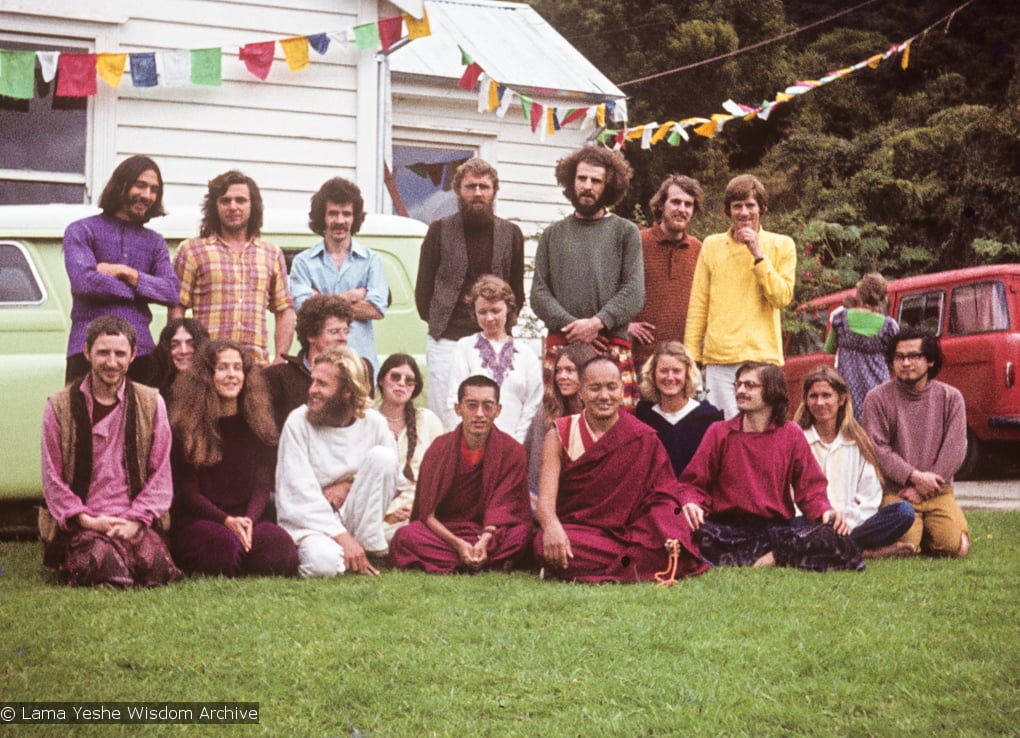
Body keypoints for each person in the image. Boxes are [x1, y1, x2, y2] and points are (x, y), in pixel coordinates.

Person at [533, 356, 706, 583]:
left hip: (632, 531)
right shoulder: (559, 435)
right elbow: (545, 501)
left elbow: (663, 494)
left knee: (672, 535)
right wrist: (552, 528)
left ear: (622, 390)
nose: (604, 396)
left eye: (611, 387)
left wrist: (667, 526)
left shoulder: (643, 436)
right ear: (581, 391)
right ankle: (640, 563)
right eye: (595, 388)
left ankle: (586, 568)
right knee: (541, 542)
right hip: (581, 531)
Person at [678, 362, 863, 571]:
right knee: (681, 529)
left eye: (750, 385)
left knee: (834, 535)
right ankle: (778, 556)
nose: (740, 391)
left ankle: (773, 556)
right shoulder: (719, 432)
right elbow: (692, 483)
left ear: (771, 390)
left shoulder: (790, 433)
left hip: (774, 531)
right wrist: (691, 502)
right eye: (738, 385)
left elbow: (810, 488)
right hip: (725, 530)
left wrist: (824, 511)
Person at [41, 315, 181, 587]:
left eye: (120, 353)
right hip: (85, 520)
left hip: (132, 517)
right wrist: (89, 521)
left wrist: (136, 521)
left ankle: (125, 548)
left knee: (156, 571)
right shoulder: (58, 406)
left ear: (132, 356)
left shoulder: (152, 402)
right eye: (103, 352)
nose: (111, 362)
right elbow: (52, 479)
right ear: (87, 352)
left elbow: (160, 472)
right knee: (112, 573)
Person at [168, 340, 299, 577]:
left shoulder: (259, 424)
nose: (232, 375)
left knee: (280, 549)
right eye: (223, 368)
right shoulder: (186, 427)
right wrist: (226, 520)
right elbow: (188, 492)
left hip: (248, 516)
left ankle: (243, 549)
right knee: (222, 550)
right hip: (201, 519)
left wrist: (248, 520)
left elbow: (262, 484)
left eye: (237, 368)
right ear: (207, 375)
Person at [530, 146, 645, 408]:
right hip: (563, 350)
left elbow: (634, 291)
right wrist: (576, 328)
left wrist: (597, 323)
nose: (587, 186)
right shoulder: (552, 234)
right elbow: (538, 294)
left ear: (609, 186)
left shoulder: (625, 232)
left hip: (610, 346)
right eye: (582, 179)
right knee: (559, 426)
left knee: (617, 430)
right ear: (572, 180)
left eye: (596, 181)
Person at [415, 158, 526, 421]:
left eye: (484, 187)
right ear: (458, 190)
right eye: (470, 186)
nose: (477, 193)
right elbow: (423, 291)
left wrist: (501, 330)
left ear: (494, 191)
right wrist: (440, 322)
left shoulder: (511, 234)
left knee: (490, 415)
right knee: (445, 414)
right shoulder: (439, 230)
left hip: (492, 340)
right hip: (446, 339)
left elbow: (516, 291)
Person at [275, 346, 400, 577]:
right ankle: (349, 552)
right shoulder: (298, 422)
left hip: (356, 515)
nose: (312, 390)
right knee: (323, 564)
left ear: (347, 391)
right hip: (312, 519)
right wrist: (342, 538)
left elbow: (391, 478)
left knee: (383, 457)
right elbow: (297, 492)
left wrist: (348, 484)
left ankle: (366, 546)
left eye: (322, 384)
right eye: (313, 381)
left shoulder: (374, 423)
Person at [390, 375, 532, 573]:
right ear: (459, 409)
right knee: (405, 537)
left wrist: (484, 540)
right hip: (448, 531)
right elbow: (427, 514)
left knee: (521, 534)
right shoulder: (439, 448)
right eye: (472, 405)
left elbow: (506, 507)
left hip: (490, 533)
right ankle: (483, 562)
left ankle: (460, 562)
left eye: (488, 406)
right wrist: (458, 543)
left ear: (498, 410)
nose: (480, 414)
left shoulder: (512, 450)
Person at [684, 175, 796, 418]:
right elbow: (698, 305)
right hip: (720, 361)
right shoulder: (712, 245)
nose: (744, 212)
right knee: (723, 432)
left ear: (761, 208)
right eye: (737, 206)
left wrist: (758, 254)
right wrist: (691, 357)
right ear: (728, 211)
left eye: (750, 205)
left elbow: (782, 297)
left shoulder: (782, 245)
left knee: (762, 432)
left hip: (762, 358)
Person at [63, 155, 180, 384]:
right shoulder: (82, 230)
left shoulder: (155, 242)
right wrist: (142, 291)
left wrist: (128, 274)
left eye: (154, 189)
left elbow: (172, 292)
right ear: (121, 185)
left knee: (141, 420)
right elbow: (84, 282)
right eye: (140, 185)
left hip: (141, 353)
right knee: (84, 420)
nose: (147, 195)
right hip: (88, 351)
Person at [863, 328, 970, 557]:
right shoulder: (876, 398)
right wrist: (914, 478)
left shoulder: (951, 398)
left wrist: (924, 488)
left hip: (939, 491)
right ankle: (920, 535)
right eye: (899, 357)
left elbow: (955, 449)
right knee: (908, 546)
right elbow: (878, 449)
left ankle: (950, 531)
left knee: (952, 547)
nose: (906, 363)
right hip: (897, 493)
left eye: (914, 356)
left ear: (930, 360)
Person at [171, 170, 295, 366]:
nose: (233, 207)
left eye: (240, 200)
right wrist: (181, 355)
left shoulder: (271, 253)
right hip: (207, 364)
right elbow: (177, 307)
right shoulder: (192, 250)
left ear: (253, 205)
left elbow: (284, 310)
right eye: (225, 201)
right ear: (215, 206)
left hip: (255, 366)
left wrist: (280, 358)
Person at [794, 367, 916, 558]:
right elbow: (791, 496)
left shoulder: (857, 442)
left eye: (827, 395)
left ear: (841, 399)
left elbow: (870, 496)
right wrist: (824, 519)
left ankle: (838, 546)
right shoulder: (798, 440)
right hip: (810, 522)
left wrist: (846, 523)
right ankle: (864, 551)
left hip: (852, 526)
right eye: (813, 396)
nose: (820, 402)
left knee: (903, 512)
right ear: (806, 401)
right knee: (789, 527)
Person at [290, 177, 388, 374]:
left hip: (360, 365)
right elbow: (305, 311)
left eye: (347, 214)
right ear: (322, 217)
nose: (340, 221)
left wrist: (321, 300)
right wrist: (350, 297)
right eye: (333, 213)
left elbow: (376, 309)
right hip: (317, 366)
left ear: (355, 218)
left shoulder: (372, 260)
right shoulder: (303, 262)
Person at [444, 274, 542, 442]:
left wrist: (516, 443)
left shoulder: (526, 354)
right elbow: (454, 399)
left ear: (508, 309)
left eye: (495, 310)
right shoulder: (464, 347)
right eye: (482, 312)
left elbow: (533, 405)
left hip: (515, 445)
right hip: (472, 443)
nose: (489, 318)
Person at [628, 175, 704, 369]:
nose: (682, 209)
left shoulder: (699, 249)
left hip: (684, 363)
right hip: (643, 360)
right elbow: (612, 290)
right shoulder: (637, 242)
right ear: (661, 205)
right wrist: (625, 325)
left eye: (688, 204)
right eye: (676, 202)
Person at [375, 353, 445, 542]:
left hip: (418, 511)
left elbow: (442, 472)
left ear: (415, 388)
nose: (401, 384)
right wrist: (387, 513)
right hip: (375, 511)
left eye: (409, 380)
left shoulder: (427, 420)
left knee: (412, 533)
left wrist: (415, 509)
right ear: (382, 380)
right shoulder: (367, 420)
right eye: (395, 377)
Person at [262, 294, 355, 432]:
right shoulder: (279, 378)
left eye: (346, 331)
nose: (343, 338)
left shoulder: (357, 373)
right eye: (334, 332)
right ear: (311, 335)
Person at [523, 343, 598, 508]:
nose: (562, 376)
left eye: (570, 370)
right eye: (558, 370)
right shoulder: (545, 415)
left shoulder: (599, 415)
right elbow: (535, 465)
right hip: (548, 501)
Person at [635, 341, 722, 477]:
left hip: (696, 494)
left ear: (687, 374)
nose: (670, 377)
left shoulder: (709, 418)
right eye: (663, 371)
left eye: (676, 371)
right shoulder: (642, 417)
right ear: (653, 374)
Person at [824, 272, 899, 420]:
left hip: (848, 390)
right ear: (883, 298)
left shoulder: (841, 318)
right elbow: (894, 361)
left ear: (859, 294)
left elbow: (829, 348)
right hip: (879, 389)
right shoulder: (888, 326)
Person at [146, 318, 210, 401]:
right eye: (175, 345)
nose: (183, 351)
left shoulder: (215, 387)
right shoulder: (153, 392)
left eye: (191, 344)